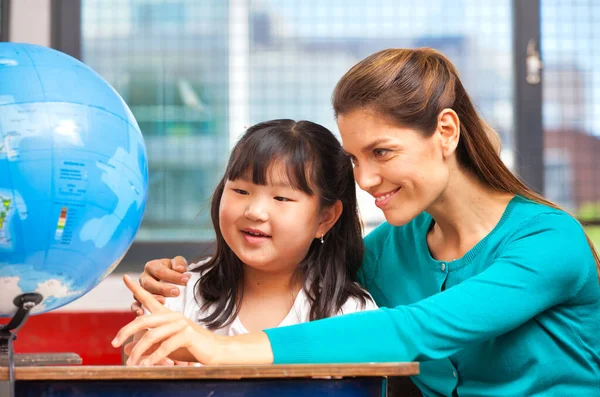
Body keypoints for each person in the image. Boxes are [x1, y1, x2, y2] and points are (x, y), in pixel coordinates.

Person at [113, 48, 600, 396]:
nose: (365, 179)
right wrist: (187, 279)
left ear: (445, 132)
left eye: (382, 152)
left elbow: (412, 330)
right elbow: (295, 270)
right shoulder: (387, 250)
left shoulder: (549, 241)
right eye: (353, 159)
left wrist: (217, 350)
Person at [122, 119, 377, 365]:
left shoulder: (350, 313)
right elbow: (136, 367)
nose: (254, 211)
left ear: (325, 218)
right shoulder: (181, 294)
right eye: (241, 191)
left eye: (281, 198)